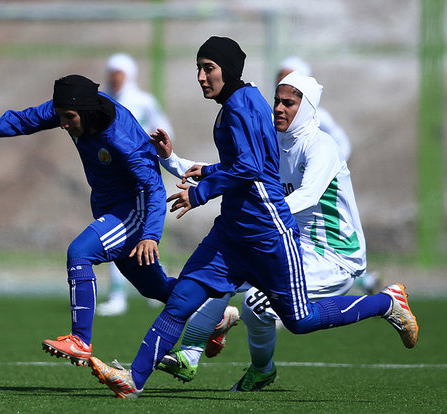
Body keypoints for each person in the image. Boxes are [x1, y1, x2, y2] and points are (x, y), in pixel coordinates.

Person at [88, 36, 418, 399]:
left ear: (227, 70)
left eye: (208, 68)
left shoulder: (254, 113)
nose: (200, 76)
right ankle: (134, 379)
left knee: (299, 320)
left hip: (267, 235)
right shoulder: (242, 105)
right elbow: (248, 164)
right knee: (183, 296)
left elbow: (248, 169)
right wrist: (179, 162)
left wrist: (199, 193)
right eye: (198, 68)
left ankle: (385, 303)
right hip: (231, 234)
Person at [154, 70, 388, 391]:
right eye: (277, 101)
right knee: (221, 274)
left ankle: (387, 303)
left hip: (334, 256)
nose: (279, 108)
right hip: (289, 243)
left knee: (256, 304)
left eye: (288, 103)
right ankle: (192, 353)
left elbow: (307, 196)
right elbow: (236, 172)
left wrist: (258, 219)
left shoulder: (321, 146)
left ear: (306, 107)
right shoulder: (275, 142)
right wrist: (172, 160)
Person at [0, 74, 177, 367]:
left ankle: (80, 340)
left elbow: (154, 187)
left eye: (68, 118)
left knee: (80, 251)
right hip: (109, 208)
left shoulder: (121, 135)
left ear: (84, 111)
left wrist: (150, 235)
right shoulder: (70, 108)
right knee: (154, 288)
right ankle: (214, 313)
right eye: (60, 116)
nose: (63, 124)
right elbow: (28, 119)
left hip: (134, 208)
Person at [278, 56, 380, 296]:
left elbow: (341, 142)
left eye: (289, 73)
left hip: (314, 188)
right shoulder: (280, 122)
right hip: (296, 194)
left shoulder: (317, 119)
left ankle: (369, 290)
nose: (283, 78)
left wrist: (325, 168)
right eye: (280, 75)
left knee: (329, 235)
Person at [97, 53, 175, 317]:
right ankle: (118, 294)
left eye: (120, 74)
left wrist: (151, 148)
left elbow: (165, 130)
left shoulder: (144, 102)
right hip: (114, 180)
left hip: (141, 177)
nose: (115, 79)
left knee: (146, 234)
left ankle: (158, 284)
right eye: (112, 74)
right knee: (114, 232)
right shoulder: (103, 103)